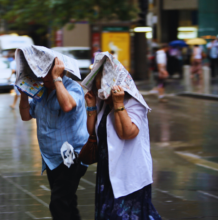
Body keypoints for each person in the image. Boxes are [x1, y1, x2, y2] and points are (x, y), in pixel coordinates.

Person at [84, 70, 162, 220]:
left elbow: (127, 133)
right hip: (108, 173)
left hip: (129, 174)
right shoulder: (103, 104)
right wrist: (91, 106)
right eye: (98, 89)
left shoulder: (133, 102)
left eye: (104, 89)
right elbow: (92, 131)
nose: (101, 94)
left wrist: (118, 104)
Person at [19, 57, 88, 220]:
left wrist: (57, 80)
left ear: (59, 72)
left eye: (47, 73)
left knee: (59, 203)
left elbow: (67, 105)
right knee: (68, 202)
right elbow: (26, 115)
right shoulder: (42, 92)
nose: (43, 77)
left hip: (72, 155)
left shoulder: (73, 88)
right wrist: (23, 94)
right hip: (51, 157)